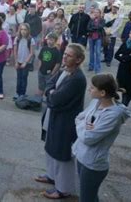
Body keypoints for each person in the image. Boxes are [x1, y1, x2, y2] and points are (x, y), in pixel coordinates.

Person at [36, 43, 87, 199]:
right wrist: (51, 93)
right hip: (54, 116)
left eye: (69, 55)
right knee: (51, 147)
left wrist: (50, 94)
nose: (64, 56)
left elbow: (56, 99)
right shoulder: (65, 70)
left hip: (65, 121)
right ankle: (52, 176)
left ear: (78, 60)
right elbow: (49, 85)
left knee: (62, 153)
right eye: (65, 53)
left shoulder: (77, 78)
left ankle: (63, 189)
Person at [73, 74, 131, 202]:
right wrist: (85, 126)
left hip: (93, 164)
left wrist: (83, 126)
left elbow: (89, 138)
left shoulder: (113, 115)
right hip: (82, 155)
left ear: (102, 92)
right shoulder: (95, 102)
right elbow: (79, 117)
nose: (89, 89)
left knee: (86, 198)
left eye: (92, 88)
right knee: (90, 196)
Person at [13, 23, 35, 99]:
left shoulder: (30, 39)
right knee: (19, 78)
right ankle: (17, 92)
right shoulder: (17, 39)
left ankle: (22, 93)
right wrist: (16, 61)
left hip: (26, 62)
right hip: (18, 61)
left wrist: (25, 62)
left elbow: (31, 53)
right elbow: (15, 51)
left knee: (24, 78)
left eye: (25, 29)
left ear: (28, 30)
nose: (23, 31)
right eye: (21, 29)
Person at [37, 33, 61, 97]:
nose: (49, 41)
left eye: (51, 40)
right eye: (48, 40)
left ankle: (48, 101)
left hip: (49, 73)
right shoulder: (44, 48)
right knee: (40, 87)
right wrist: (39, 68)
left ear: (55, 41)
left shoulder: (57, 51)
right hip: (41, 71)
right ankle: (38, 100)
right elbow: (40, 58)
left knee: (48, 88)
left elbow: (58, 63)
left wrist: (53, 73)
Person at [87, 9, 105, 74]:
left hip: (98, 38)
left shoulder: (102, 20)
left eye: (97, 12)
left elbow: (100, 27)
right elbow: (88, 28)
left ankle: (97, 68)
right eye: (95, 12)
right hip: (91, 37)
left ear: (100, 13)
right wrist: (94, 28)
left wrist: (93, 28)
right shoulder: (91, 20)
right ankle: (91, 66)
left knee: (98, 52)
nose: (96, 13)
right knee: (91, 52)